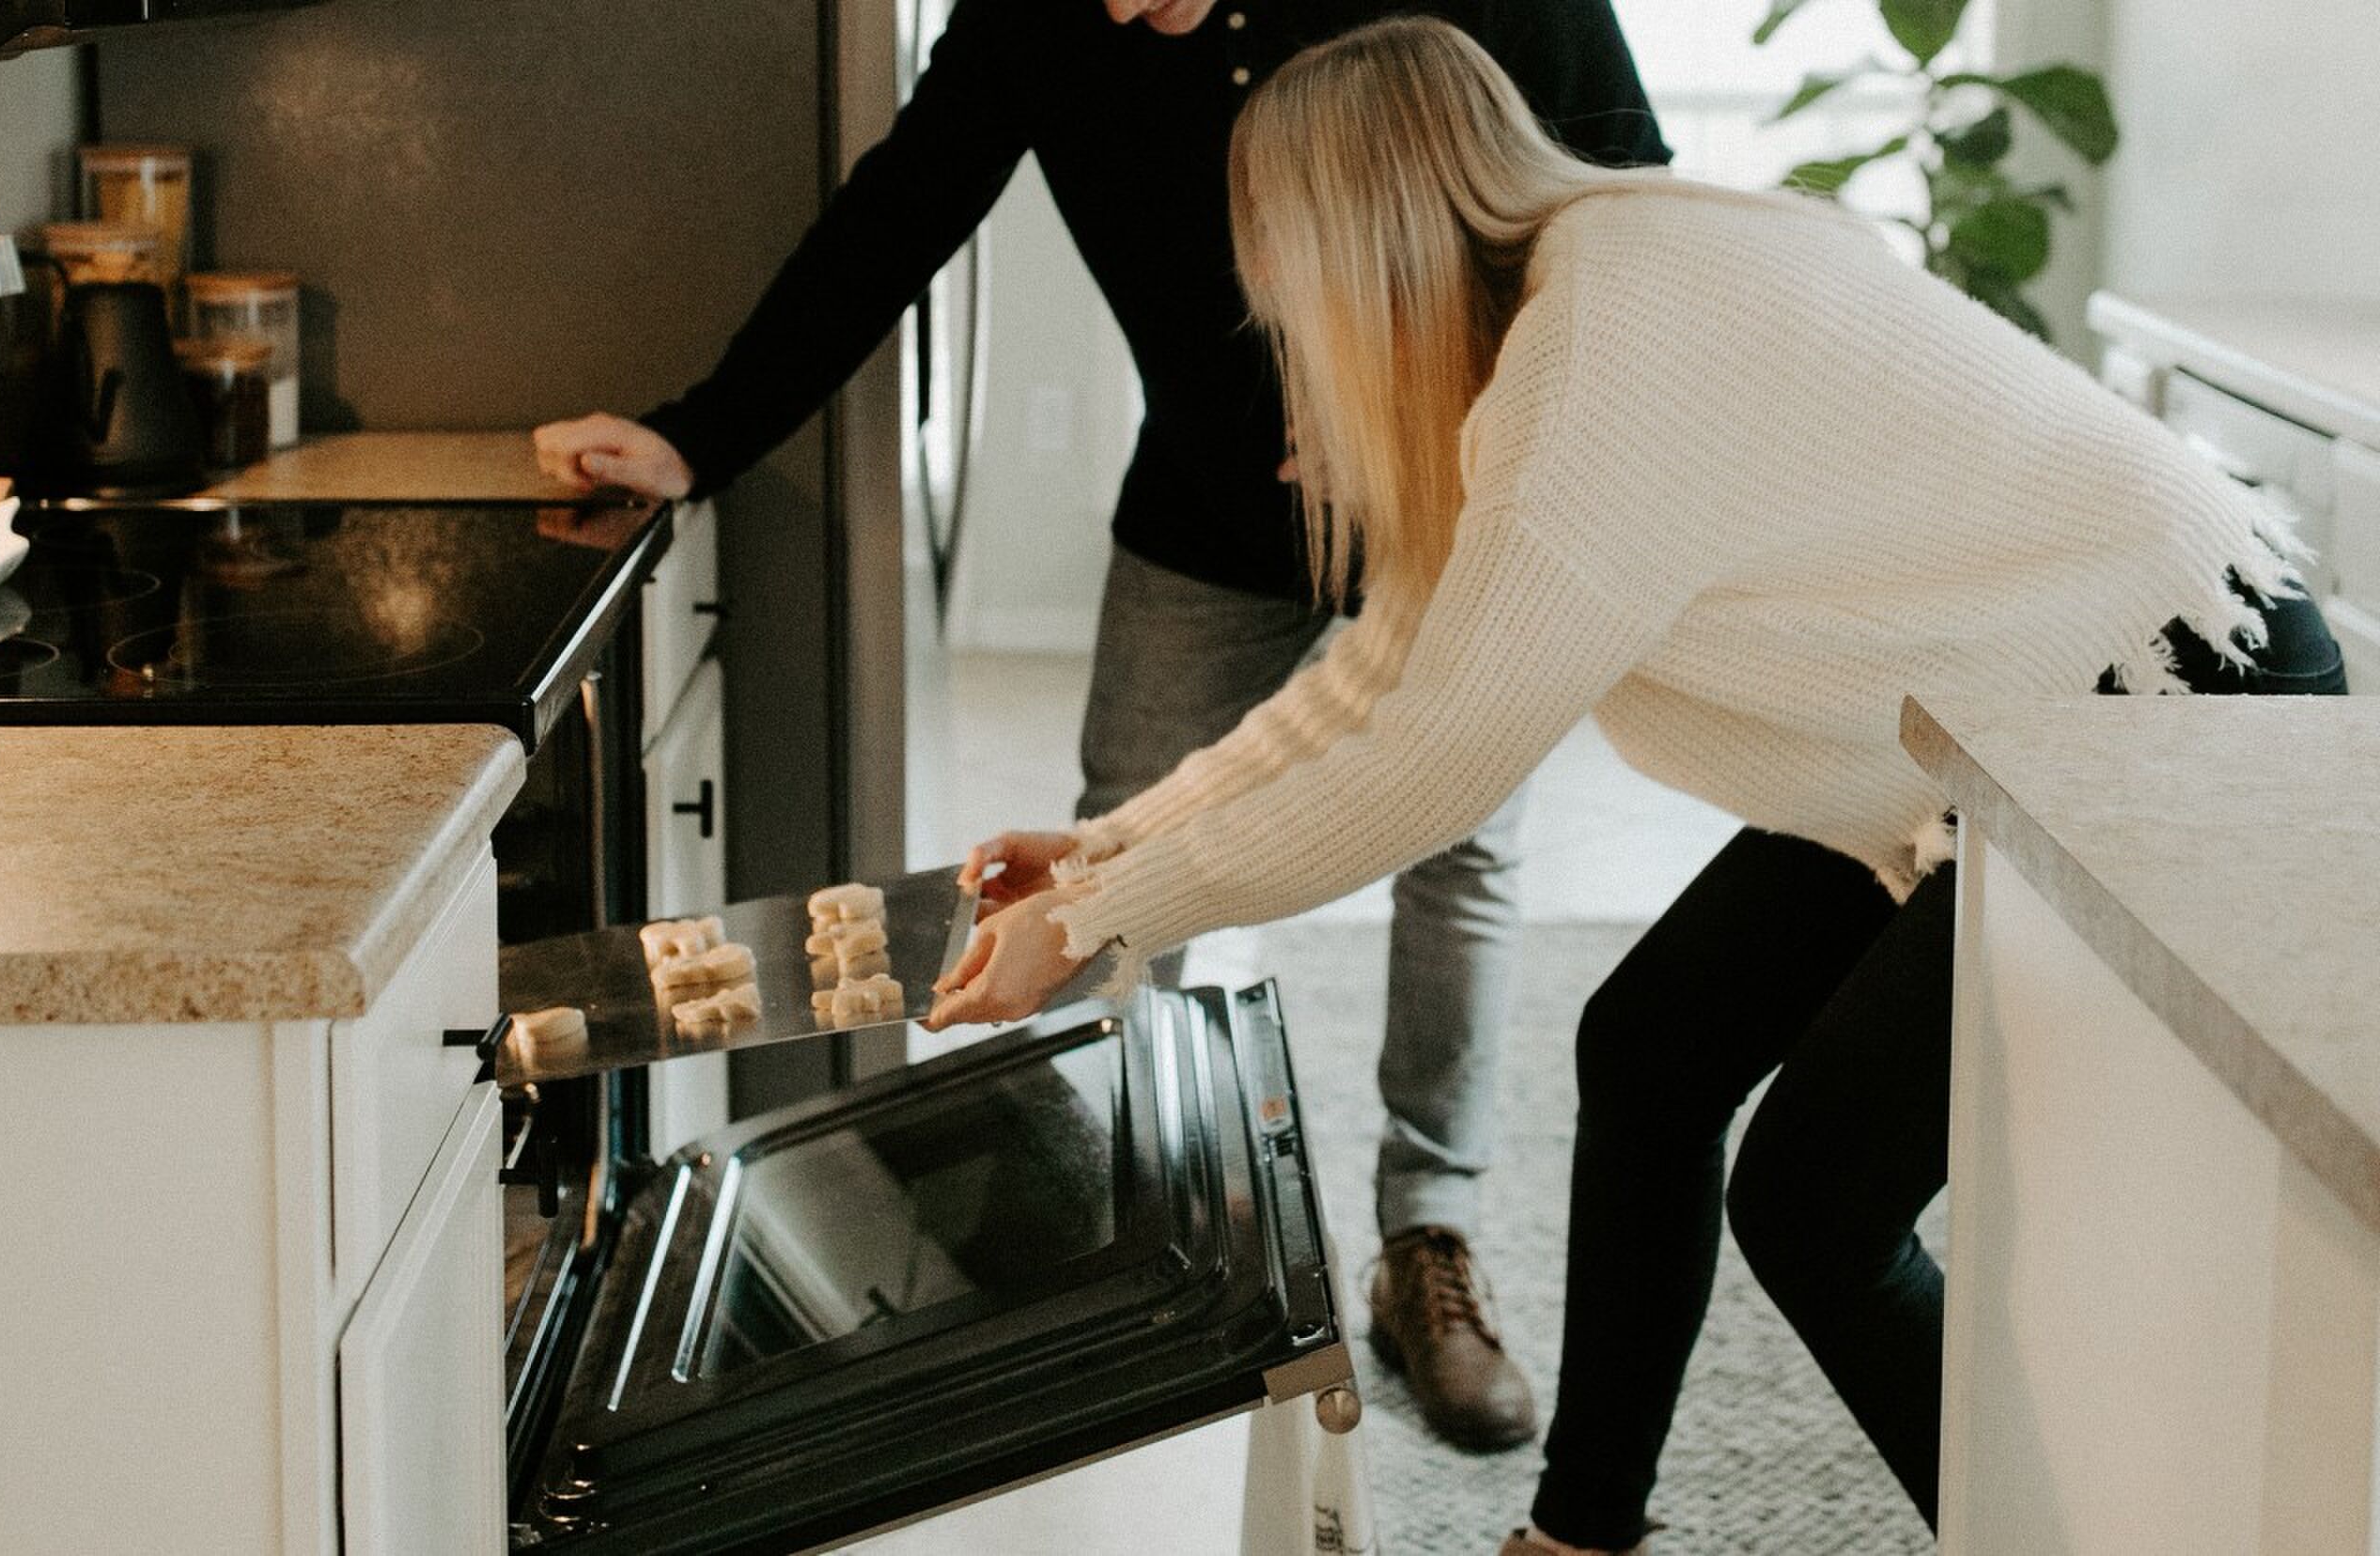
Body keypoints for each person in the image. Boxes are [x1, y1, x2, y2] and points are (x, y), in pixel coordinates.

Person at [925, 17, 2348, 1554]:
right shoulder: (1555, 309)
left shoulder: (1601, 351)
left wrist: (1106, 917)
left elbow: (1427, 756)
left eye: (1273, 263)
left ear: (1349, 241)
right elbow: (1377, 678)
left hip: (2161, 695)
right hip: (1991, 728)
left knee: (1812, 1207)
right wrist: (1109, 845)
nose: (1267, 305)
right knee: (1655, 1047)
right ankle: (1584, 1531)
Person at [534, 0, 1670, 1453]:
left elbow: (1622, 214)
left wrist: (1475, 408)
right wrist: (703, 430)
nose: (1117, 11)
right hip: (1206, 506)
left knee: (1460, 849)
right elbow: (897, 216)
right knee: (1117, 838)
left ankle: (1426, 1242)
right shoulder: (1046, 10)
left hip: (1458, 488)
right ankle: (1096, 1216)